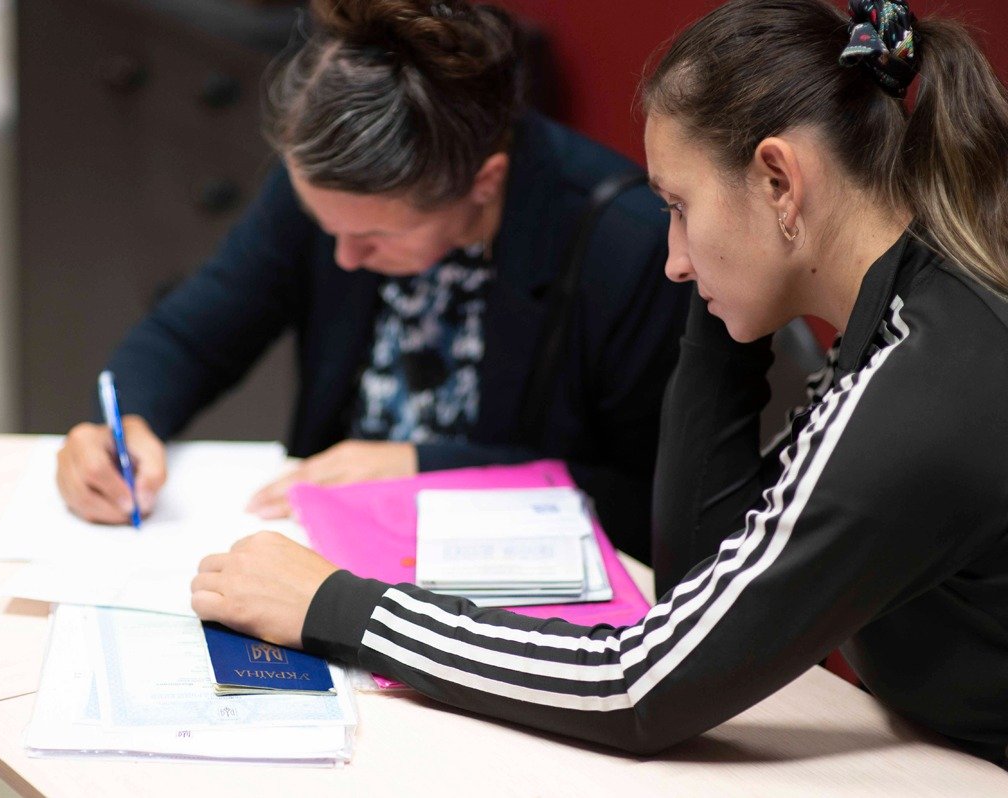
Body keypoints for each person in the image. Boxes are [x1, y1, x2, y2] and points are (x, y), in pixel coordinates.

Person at [188, 0, 1008, 767]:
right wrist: (725, 308)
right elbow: (702, 577)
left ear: (780, 182)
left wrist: (339, 607)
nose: (674, 262)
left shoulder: (925, 378)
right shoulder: (906, 314)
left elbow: (640, 685)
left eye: (679, 207)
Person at [54, 0, 687, 562]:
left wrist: (422, 466)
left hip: (510, 584)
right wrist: (126, 424)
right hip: (334, 551)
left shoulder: (626, 246)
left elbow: (647, 500)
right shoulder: (335, 197)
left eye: (377, 240)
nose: (345, 258)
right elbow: (191, 337)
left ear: (484, 183)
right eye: (327, 228)